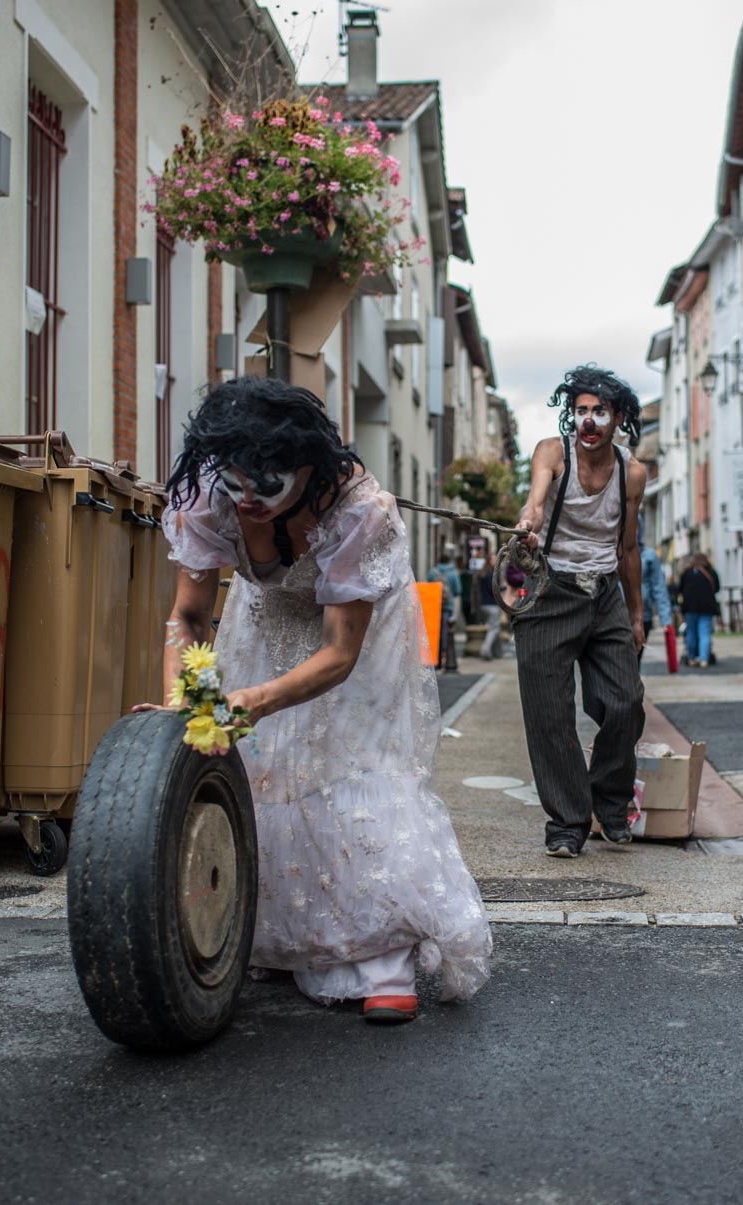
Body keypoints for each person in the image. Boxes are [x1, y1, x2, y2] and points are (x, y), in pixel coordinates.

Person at [154, 376, 491, 1024]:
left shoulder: (359, 511)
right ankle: (277, 936)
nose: (247, 498)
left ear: (306, 468)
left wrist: (254, 698)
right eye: (235, 483)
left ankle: (382, 956)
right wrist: (185, 700)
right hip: (265, 616)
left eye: (267, 482)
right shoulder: (207, 493)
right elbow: (189, 617)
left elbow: (340, 653)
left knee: (351, 765)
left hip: (353, 634)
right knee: (263, 769)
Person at [512, 365, 649, 858]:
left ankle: (610, 803)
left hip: (605, 592)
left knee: (625, 702)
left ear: (617, 419)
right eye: (581, 411)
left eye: (600, 412)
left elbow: (628, 546)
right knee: (549, 714)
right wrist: (527, 523)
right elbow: (535, 502)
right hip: (551, 591)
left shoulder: (632, 473)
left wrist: (635, 615)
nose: (589, 421)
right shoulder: (554, 452)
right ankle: (568, 822)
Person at [678, 552, 721, 667]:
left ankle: (691, 658)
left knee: (691, 632)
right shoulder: (711, 572)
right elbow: (717, 588)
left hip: (690, 608)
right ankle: (704, 659)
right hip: (706, 608)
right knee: (705, 633)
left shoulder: (687, 573)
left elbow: (680, 589)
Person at [428, 545, 463, 671]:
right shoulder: (453, 573)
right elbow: (458, 590)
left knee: (433, 632)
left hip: (433, 606)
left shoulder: (433, 572)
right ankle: (445, 659)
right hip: (448, 606)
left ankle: (434, 660)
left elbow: (428, 587)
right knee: (445, 632)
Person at [640, 529, 673, 639]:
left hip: (643, 615)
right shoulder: (612, 551)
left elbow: (659, 587)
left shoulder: (649, 556)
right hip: (616, 615)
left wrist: (666, 620)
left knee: (633, 655)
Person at [476, 564, 505, 659]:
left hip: (484, 604)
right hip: (492, 605)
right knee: (494, 629)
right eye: (494, 559)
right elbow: (493, 588)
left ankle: (498, 652)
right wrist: (503, 587)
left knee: (496, 628)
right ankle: (485, 650)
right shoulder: (490, 574)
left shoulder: (483, 573)